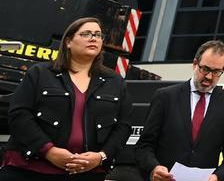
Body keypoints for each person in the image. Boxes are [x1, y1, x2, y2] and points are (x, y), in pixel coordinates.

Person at [0, 16, 132, 181]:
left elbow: (123, 126)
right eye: (86, 34)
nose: (94, 38)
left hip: (86, 173)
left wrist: (100, 157)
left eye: (98, 35)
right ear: (68, 42)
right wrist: (48, 151)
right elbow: (19, 114)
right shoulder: (40, 73)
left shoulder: (116, 82)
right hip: (29, 170)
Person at [135, 40, 224, 181]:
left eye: (216, 72)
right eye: (205, 69)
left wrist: (217, 177)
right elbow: (144, 145)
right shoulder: (165, 97)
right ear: (195, 64)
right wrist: (154, 168)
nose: (209, 77)